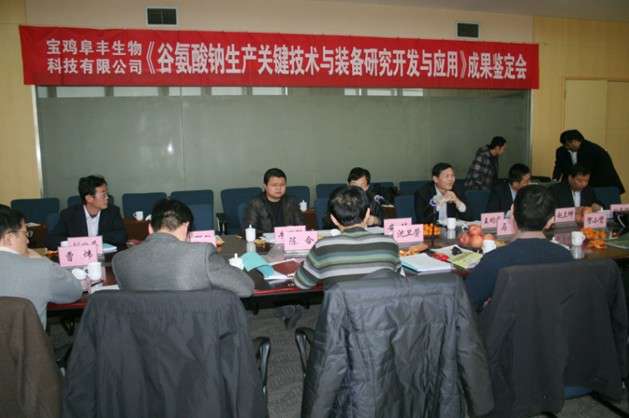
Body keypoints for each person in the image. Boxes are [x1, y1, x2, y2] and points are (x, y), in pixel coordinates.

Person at [113, 199, 254, 296]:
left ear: (149, 228)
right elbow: (245, 288)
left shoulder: (120, 260)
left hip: (142, 331)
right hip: (194, 330)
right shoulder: (201, 254)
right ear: (186, 227)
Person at [465, 185, 573, 311]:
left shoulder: (495, 260)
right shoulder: (566, 257)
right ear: (551, 221)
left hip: (503, 323)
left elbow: (465, 303)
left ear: (512, 213)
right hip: (553, 323)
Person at [294, 186, 401, 290]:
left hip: (342, 302)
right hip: (381, 302)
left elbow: (301, 283)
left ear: (333, 219)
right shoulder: (390, 244)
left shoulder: (323, 247)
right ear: (368, 214)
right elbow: (399, 280)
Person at [0, 204, 82, 327]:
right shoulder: (41, 268)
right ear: (9, 238)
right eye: (25, 233)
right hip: (26, 339)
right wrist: (39, 259)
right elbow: (75, 292)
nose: (27, 240)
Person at [45, 175, 127, 249]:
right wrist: (79, 242)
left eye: (107, 194)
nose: (107, 197)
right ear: (89, 198)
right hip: (78, 258)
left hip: (104, 256)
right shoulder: (69, 214)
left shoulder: (112, 211)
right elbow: (51, 240)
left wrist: (96, 239)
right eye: (103, 195)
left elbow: (122, 236)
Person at [552, 129, 625, 194]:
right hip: (582, 185)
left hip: (602, 184)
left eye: (568, 145)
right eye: (565, 145)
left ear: (575, 141)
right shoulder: (561, 151)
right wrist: (555, 180)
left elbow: (584, 170)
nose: (567, 148)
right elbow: (559, 166)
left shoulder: (591, 150)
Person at [243, 168, 304, 234]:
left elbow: (301, 227)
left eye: (282, 185)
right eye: (274, 185)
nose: (278, 188)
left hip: (288, 239)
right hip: (264, 240)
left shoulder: (291, 202)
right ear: (265, 186)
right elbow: (250, 230)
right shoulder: (255, 203)